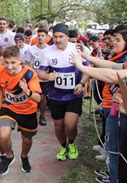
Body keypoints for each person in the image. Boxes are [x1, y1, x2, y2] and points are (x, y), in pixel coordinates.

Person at [71, 54, 127, 183]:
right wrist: (85, 56)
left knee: (120, 159)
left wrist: (82, 67)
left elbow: (113, 75)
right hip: (120, 114)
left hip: (124, 119)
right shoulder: (125, 63)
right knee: (119, 158)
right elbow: (113, 66)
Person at [38, 23, 89, 161]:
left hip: (74, 94)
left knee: (70, 124)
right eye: (55, 37)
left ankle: (72, 143)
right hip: (55, 95)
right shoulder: (47, 51)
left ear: (67, 37)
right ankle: (63, 146)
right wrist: (48, 76)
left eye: (61, 37)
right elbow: (40, 72)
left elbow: (87, 70)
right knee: (59, 125)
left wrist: (82, 83)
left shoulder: (78, 49)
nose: (58, 40)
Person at [0, 46, 41, 174]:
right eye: (6, 62)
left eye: (13, 62)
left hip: (28, 111)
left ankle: (24, 157)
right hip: (8, 108)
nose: (9, 66)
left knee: (27, 139)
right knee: (3, 136)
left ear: (20, 60)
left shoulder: (30, 74)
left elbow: (38, 99)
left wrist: (27, 92)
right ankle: (9, 156)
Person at [24, 28, 49, 126]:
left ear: (46, 37)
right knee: (31, 97)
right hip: (33, 78)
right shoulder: (31, 49)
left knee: (43, 98)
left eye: (42, 36)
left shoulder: (50, 49)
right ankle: (31, 114)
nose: (40, 37)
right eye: (39, 35)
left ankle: (42, 116)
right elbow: (27, 63)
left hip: (44, 78)